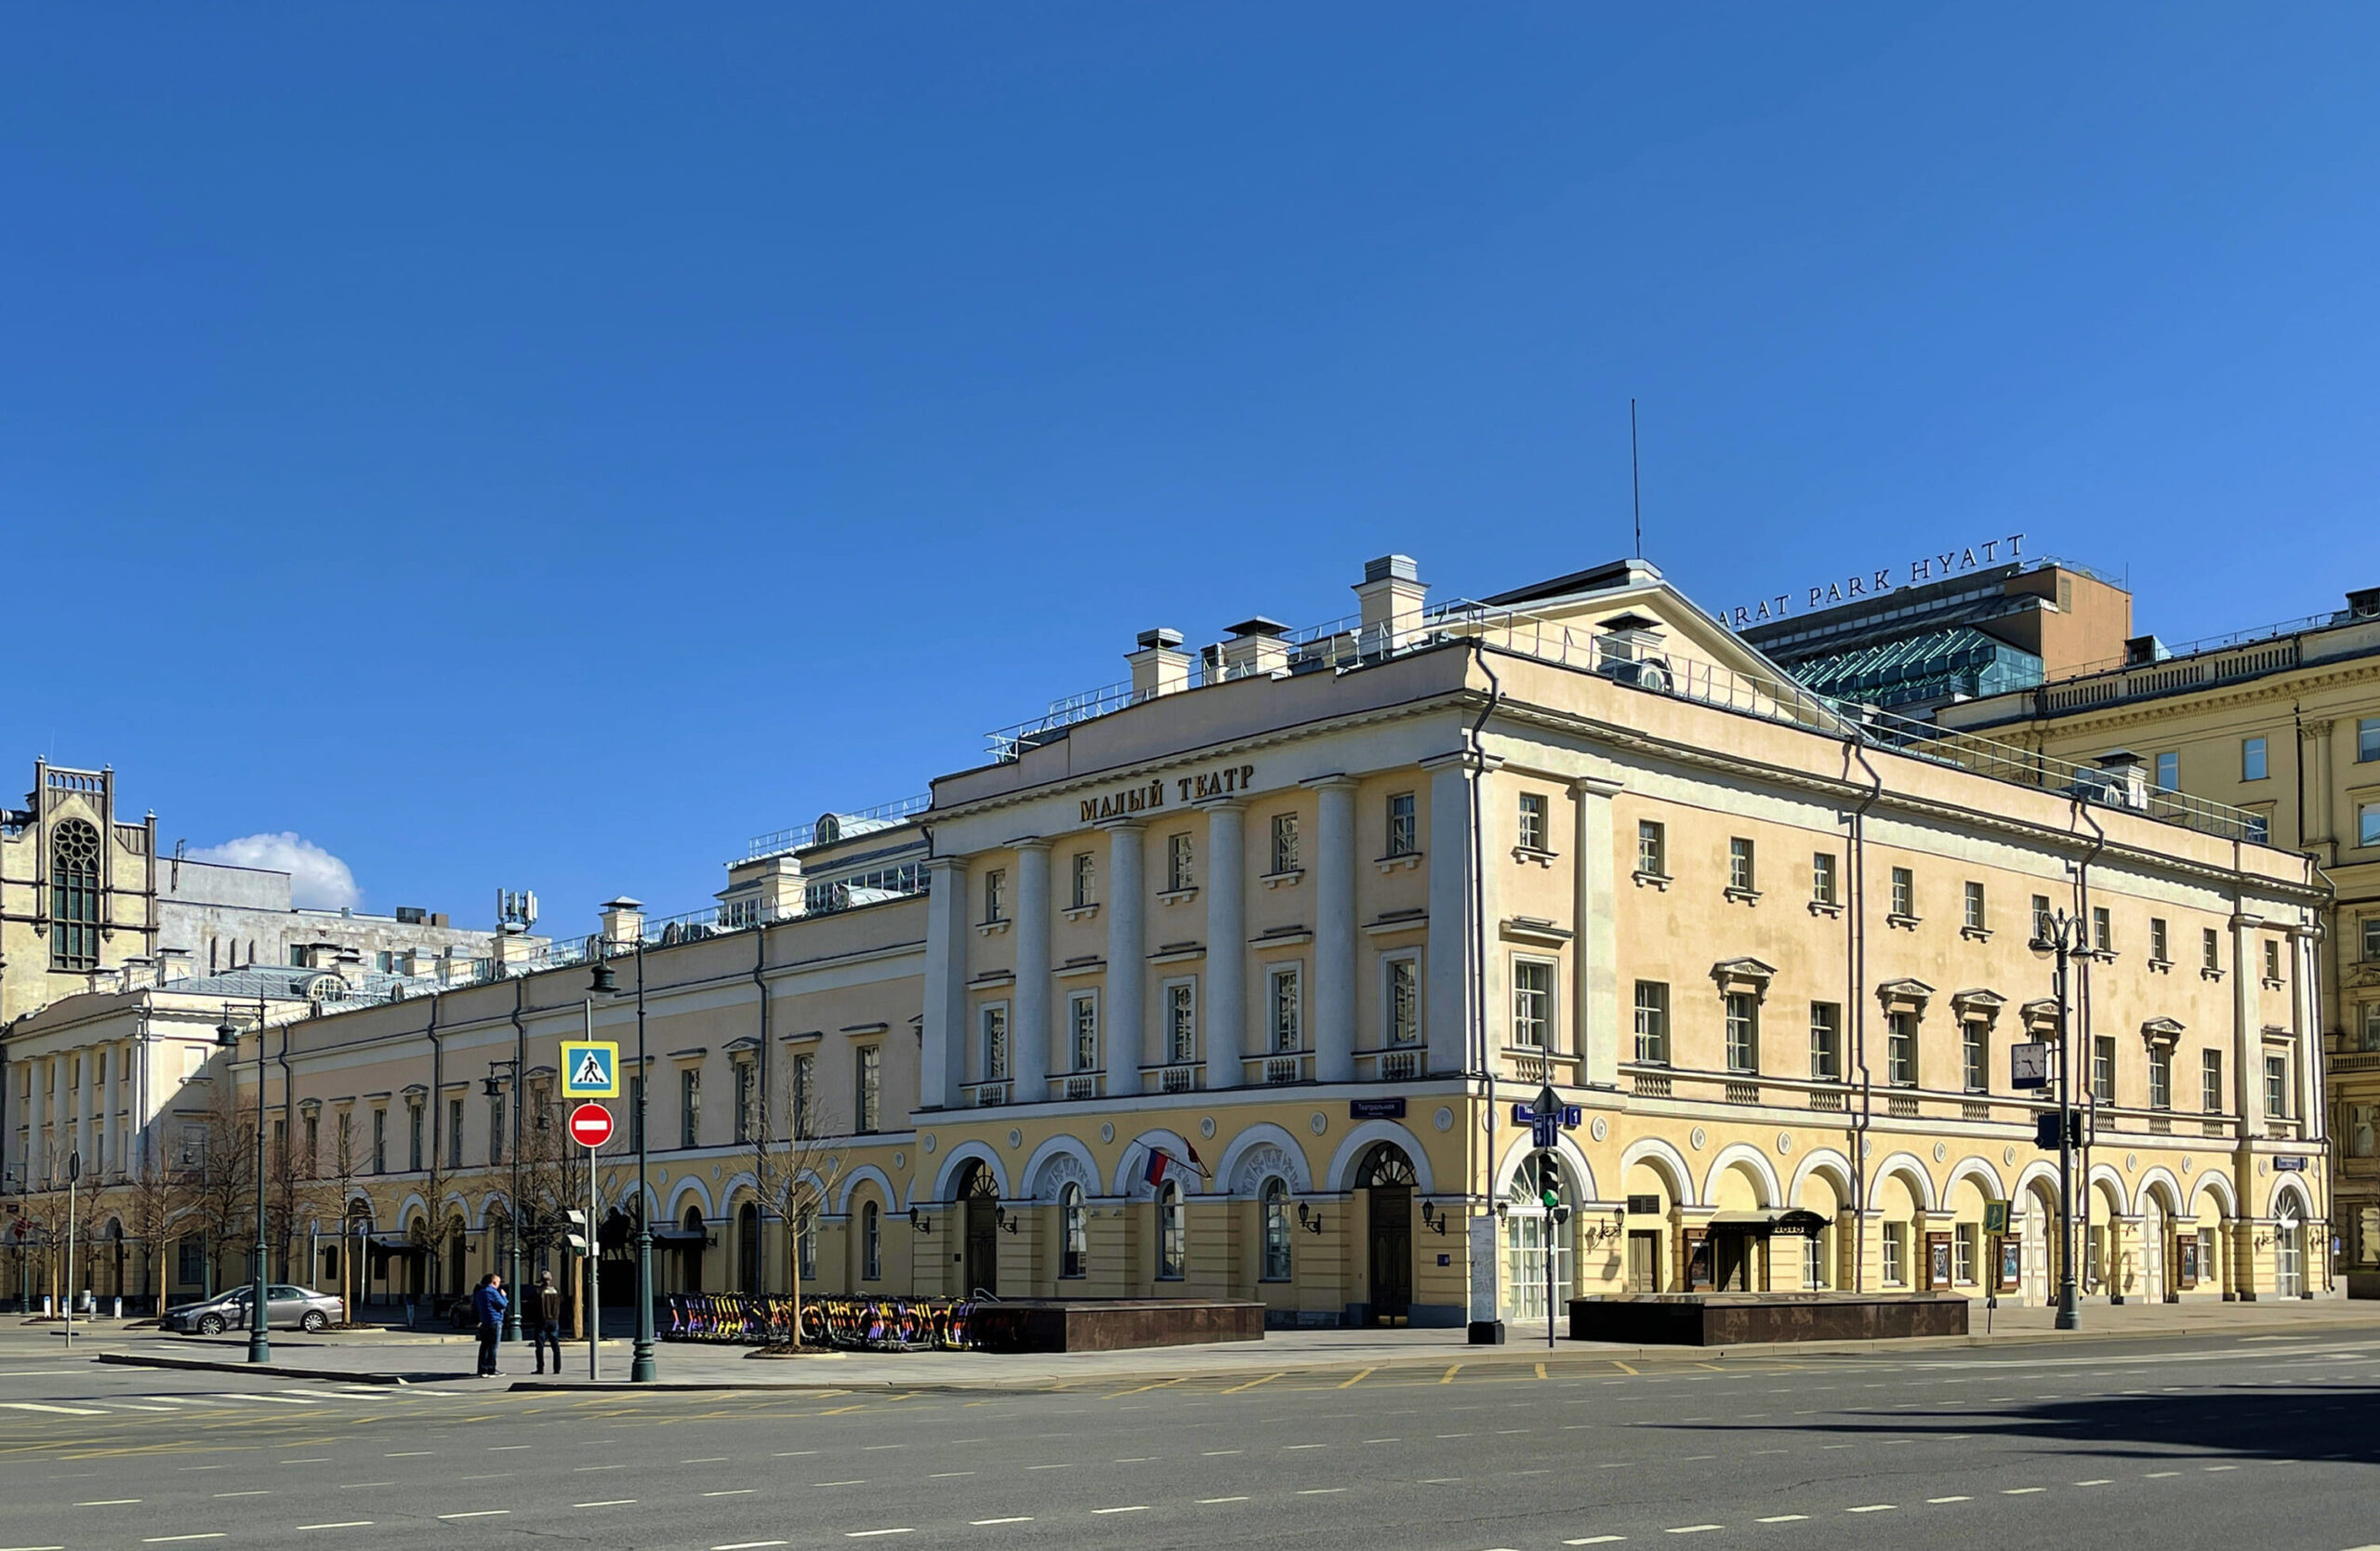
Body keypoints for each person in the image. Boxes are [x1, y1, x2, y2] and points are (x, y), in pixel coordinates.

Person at [471, 1272, 507, 1377]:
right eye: (499, 1282)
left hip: (485, 1321)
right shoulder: (493, 1292)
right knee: (493, 1347)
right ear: (494, 1282)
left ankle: (482, 1369)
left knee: (484, 1345)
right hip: (495, 1321)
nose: (499, 1284)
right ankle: (491, 1368)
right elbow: (502, 1304)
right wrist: (504, 1296)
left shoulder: (480, 1293)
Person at [530, 1270, 564, 1375]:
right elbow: (562, 1301)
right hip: (554, 1320)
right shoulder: (556, 1291)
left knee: (540, 1346)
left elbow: (534, 1305)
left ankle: (540, 1368)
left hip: (542, 1321)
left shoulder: (539, 1291)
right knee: (555, 1346)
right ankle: (557, 1368)